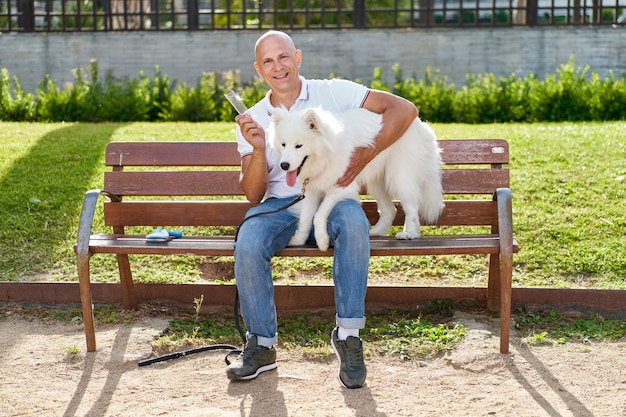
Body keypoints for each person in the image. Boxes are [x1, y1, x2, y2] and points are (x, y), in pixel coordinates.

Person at [227, 30, 419, 389]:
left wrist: (363, 155)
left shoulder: (334, 93)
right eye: (268, 61)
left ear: (297, 58)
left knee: (354, 223)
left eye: (283, 57)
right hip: (280, 207)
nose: (278, 66)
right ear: (258, 70)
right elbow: (253, 196)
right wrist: (256, 149)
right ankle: (262, 344)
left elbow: (405, 110)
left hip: (333, 198)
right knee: (249, 241)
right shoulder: (252, 118)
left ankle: (348, 336)